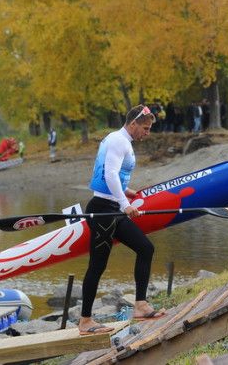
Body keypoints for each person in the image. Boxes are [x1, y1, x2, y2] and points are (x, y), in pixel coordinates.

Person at [79, 105, 164, 336]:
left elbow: (111, 176)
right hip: (104, 211)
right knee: (97, 266)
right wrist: (126, 205)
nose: (147, 133)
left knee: (145, 248)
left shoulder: (119, 140)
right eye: (145, 128)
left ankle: (140, 304)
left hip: (112, 208)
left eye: (149, 129)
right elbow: (109, 174)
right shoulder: (119, 141)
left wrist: (126, 192)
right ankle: (85, 321)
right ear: (133, 123)